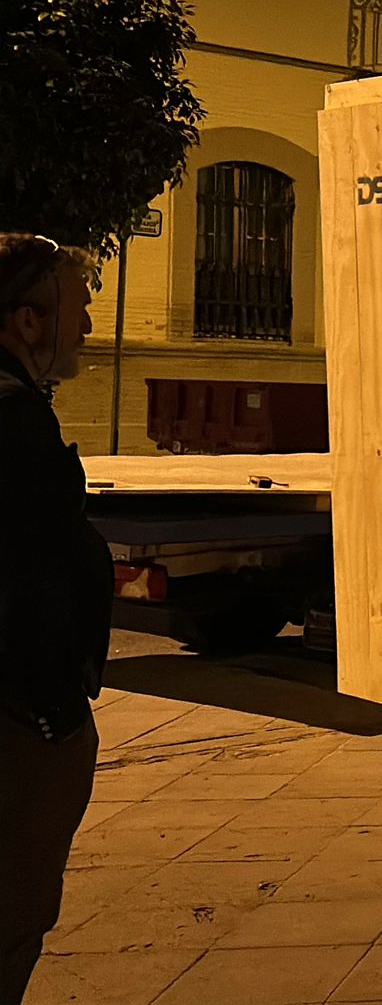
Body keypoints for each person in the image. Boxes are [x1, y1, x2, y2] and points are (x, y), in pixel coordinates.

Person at [0, 233, 112, 1004]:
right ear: (28, 322)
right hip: (20, 719)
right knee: (14, 914)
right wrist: (55, 714)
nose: (89, 327)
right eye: (76, 307)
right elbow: (24, 578)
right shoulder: (14, 430)